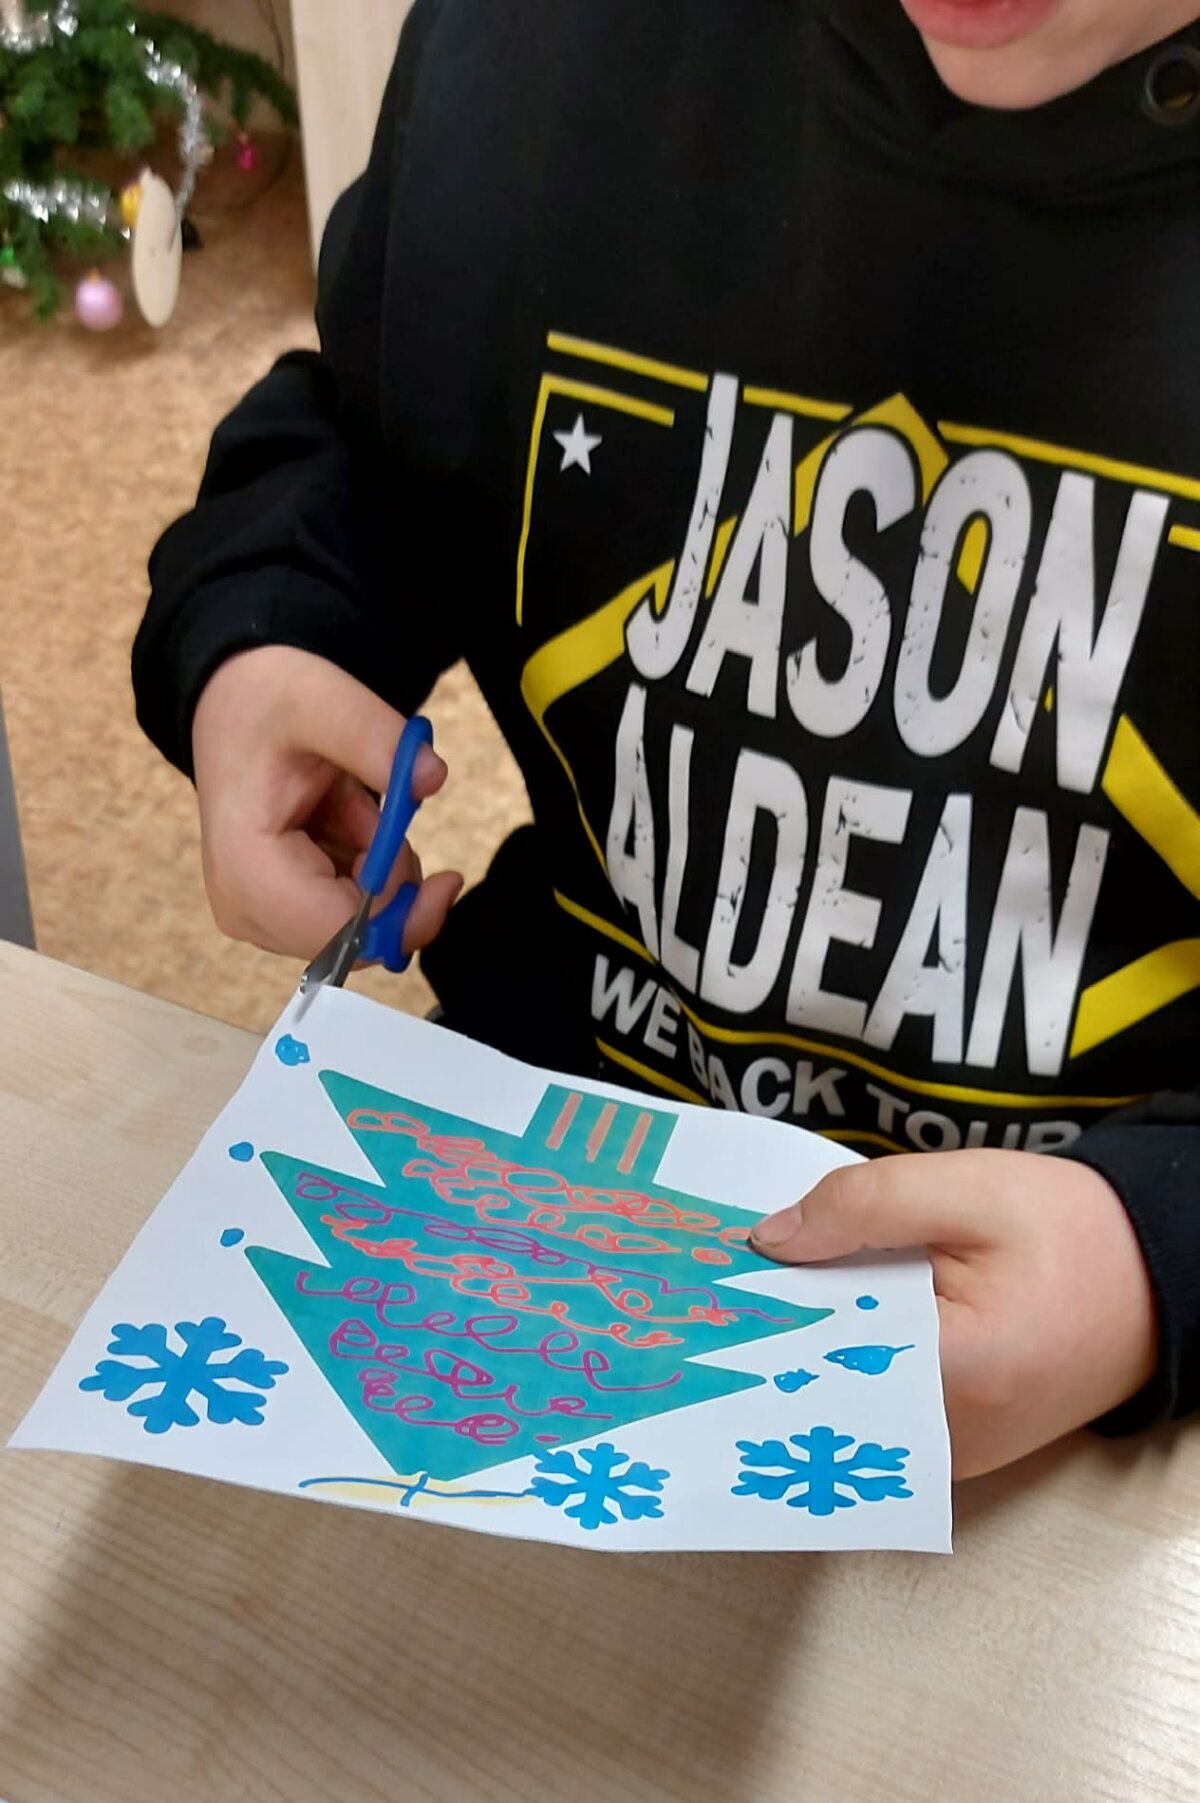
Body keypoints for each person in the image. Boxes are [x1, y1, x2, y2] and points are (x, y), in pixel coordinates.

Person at [131, 0, 1200, 1481]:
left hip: (1108, 1388)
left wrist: (1158, 1247)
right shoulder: (541, 50)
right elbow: (368, 425)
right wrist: (265, 632)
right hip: (549, 1185)